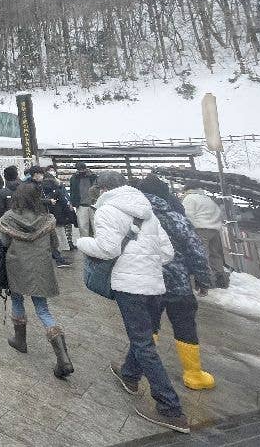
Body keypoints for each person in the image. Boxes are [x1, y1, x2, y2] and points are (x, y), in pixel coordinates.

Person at [77, 171, 187, 434]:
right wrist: (146, 266)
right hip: (153, 284)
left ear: (102, 189)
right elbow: (167, 253)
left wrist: (82, 242)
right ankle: (129, 374)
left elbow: (108, 249)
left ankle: (170, 408)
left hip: (129, 286)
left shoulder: (106, 211)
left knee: (143, 343)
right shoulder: (146, 211)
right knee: (145, 335)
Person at [135, 175, 215, 390]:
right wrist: (203, 278)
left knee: (148, 326)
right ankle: (194, 374)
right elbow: (195, 250)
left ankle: (139, 368)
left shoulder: (134, 216)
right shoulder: (175, 217)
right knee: (185, 325)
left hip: (147, 282)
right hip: (178, 283)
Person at [0, 182, 73, 379]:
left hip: (17, 265)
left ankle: (20, 342)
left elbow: (4, 242)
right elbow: (54, 243)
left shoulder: (8, 218)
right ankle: (62, 356)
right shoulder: (47, 219)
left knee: (18, 300)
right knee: (43, 309)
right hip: (40, 267)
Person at [181, 182, 229, 289]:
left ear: (187, 190)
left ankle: (206, 281)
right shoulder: (207, 199)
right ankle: (221, 279)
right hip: (215, 230)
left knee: (202, 256)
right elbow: (218, 212)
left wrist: (189, 231)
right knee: (215, 255)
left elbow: (188, 216)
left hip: (200, 230)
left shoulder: (189, 198)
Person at [44, 165, 77, 251]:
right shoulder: (50, 184)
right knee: (61, 227)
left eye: (53, 170)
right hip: (57, 208)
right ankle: (64, 245)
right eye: (50, 170)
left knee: (67, 225)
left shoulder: (59, 182)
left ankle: (69, 242)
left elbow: (65, 194)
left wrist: (69, 202)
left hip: (63, 207)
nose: (52, 172)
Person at [69, 161, 96, 239]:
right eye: (79, 170)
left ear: (85, 168)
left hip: (93, 204)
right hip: (81, 205)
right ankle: (85, 246)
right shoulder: (74, 178)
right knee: (83, 227)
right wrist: (71, 202)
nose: (81, 171)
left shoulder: (93, 176)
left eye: (82, 169)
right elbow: (72, 191)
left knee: (96, 226)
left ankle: (98, 245)